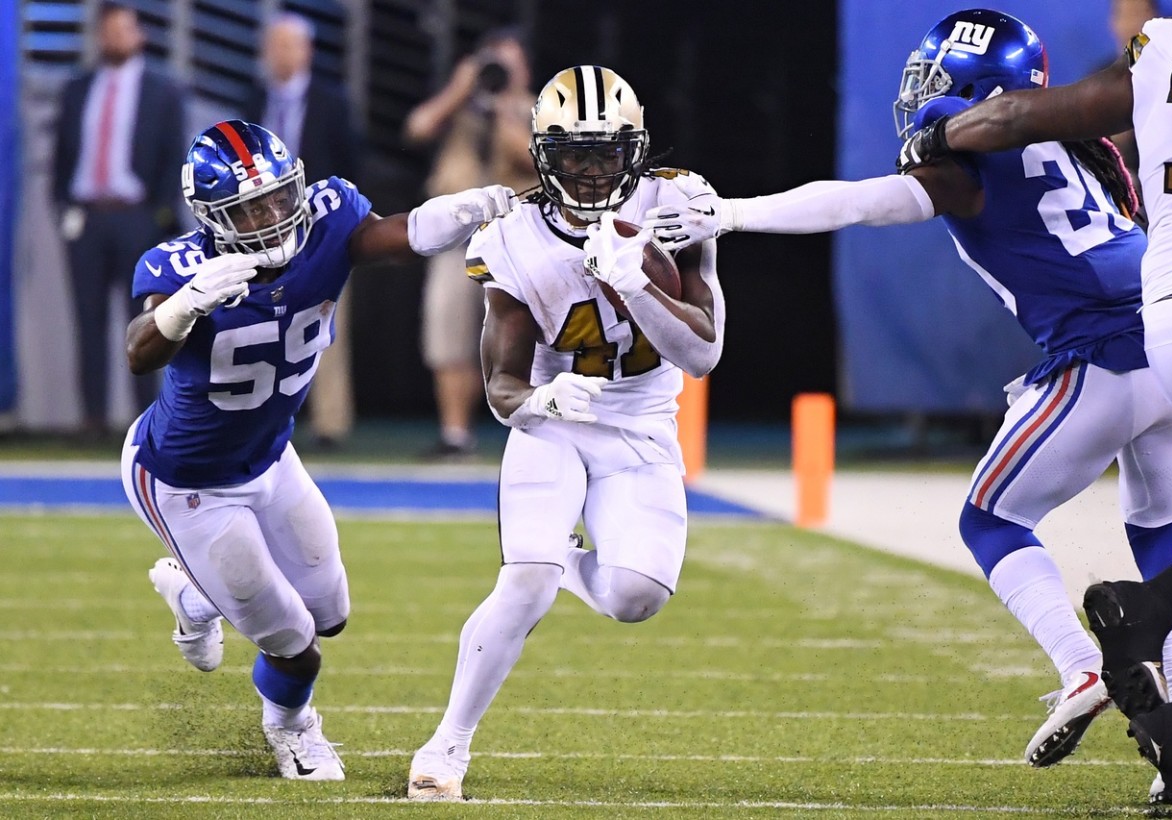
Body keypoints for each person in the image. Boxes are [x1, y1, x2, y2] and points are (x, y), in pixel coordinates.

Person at [645, 7, 1172, 782]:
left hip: (1101, 358)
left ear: (974, 86)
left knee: (991, 520)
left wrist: (735, 213)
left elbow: (862, 202)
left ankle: (1080, 666)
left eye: (935, 80)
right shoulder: (1077, 140)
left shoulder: (968, 152)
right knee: (1164, 543)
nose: (923, 94)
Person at [120, 118, 516, 781]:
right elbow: (139, 351)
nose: (272, 217)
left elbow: (393, 238)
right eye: (249, 209)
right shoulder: (182, 267)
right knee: (298, 649)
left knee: (329, 615)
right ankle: (292, 728)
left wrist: (465, 209)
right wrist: (183, 307)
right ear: (213, 217)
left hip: (271, 457)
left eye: (278, 198)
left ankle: (195, 598)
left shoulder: (326, 220)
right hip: (188, 481)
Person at [894, 9, 1172, 811]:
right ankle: (1156, 619)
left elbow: (1017, 116)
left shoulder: (1164, 49)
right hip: (1162, 318)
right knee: (1156, 530)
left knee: (1128, 529)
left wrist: (738, 212)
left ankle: (1167, 700)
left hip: (1158, 316)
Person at [405, 65, 726, 800]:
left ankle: (567, 558)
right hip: (557, 421)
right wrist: (543, 403)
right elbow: (501, 387)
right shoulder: (513, 238)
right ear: (543, 154)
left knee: (634, 598)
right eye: (573, 153)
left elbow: (703, 353)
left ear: (634, 152)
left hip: (643, 421)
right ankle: (446, 747)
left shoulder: (676, 205)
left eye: (604, 153)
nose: (587, 170)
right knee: (526, 582)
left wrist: (638, 282)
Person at [402, 27, 539, 460]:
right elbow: (417, 128)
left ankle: (534, 428)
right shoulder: (460, 107)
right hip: (458, 236)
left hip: (515, 238)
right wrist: (460, 90)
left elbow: (533, 157)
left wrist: (503, 110)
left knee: (521, 336)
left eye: (508, 61)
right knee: (448, 334)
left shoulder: (539, 107)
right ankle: (455, 433)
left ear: (525, 67)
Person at [52, 1, 183, 441]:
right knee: (87, 322)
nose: (116, 39)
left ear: (140, 34)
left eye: (123, 30)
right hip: (88, 218)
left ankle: (148, 420)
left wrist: (157, 219)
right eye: (108, 31)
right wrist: (64, 205)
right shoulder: (77, 88)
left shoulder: (162, 90)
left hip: (136, 219)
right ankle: (93, 420)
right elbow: (63, 157)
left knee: (146, 324)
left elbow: (172, 161)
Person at [245, 12, 361, 451]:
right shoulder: (254, 99)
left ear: (307, 51)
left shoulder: (331, 101)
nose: (279, 54)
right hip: (259, 234)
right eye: (273, 45)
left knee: (327, 324)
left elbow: (351, 164)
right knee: (259, 321)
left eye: (288, 45)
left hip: (318, 230)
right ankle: (261, 417)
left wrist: (338, 224)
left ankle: (330, 423)